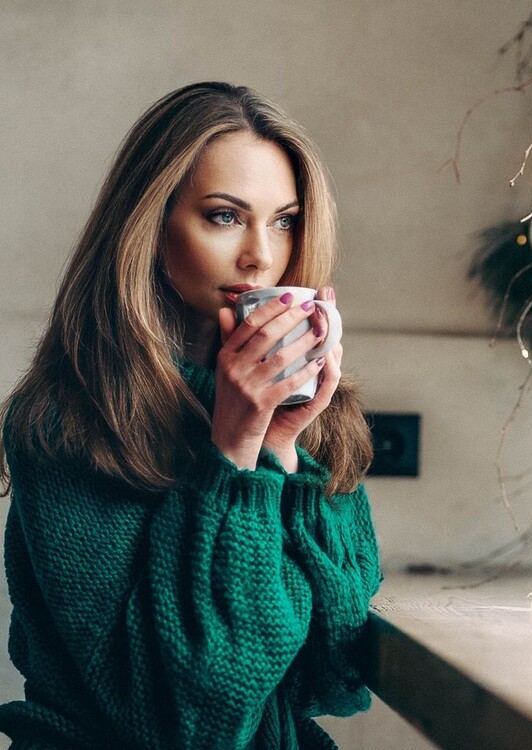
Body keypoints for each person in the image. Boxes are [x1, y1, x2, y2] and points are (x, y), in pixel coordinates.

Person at [0, 81, 381, 750]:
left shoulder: (310, 412)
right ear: (149, 226)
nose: (262, 254)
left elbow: (335, 672)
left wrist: (281, 447)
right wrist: (234, 451)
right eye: (225, 216)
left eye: (285, 219)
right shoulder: (67, 423)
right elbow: (191, 723)